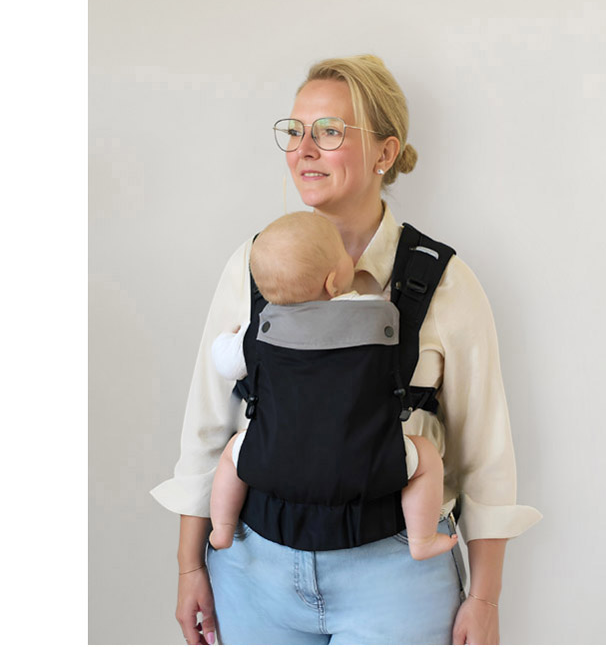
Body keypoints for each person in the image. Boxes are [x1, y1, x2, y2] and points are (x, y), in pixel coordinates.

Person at [150, 54, 542, 645]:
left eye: (329, 131)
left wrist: (484, 597)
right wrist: (189, 567)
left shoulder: (442, 282)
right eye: (295, 130)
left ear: (386, 152)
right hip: (253, 572)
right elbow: (207, 427)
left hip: (397, 576)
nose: (304, 149)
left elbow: (486, 456)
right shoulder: (253, 265)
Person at [207, 211, 459, 562]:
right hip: (365, 465)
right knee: (427, 457)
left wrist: (231, 337)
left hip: (275, 462)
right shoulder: (376, 315)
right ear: (332, 282)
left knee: (232, 454)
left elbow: (223, 363)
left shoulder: (258, 331)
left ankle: (222, 529)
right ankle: (422, 538)